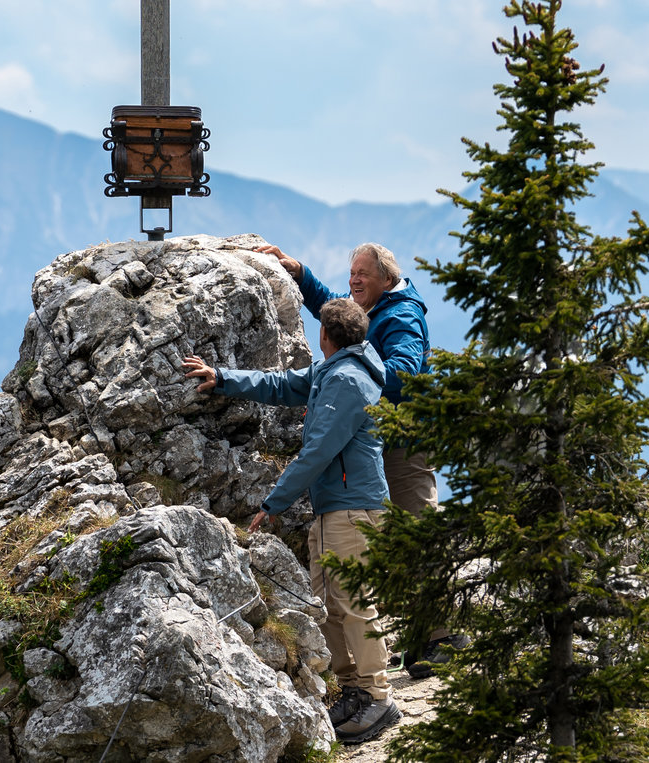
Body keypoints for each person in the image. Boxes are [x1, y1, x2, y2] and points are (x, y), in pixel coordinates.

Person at [182, 298, 401, 746]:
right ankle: (354, 691)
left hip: (354, 508)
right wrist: (222, 376)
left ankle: (379, 697)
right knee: (329, 604)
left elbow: (317, 451)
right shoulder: (332, 372)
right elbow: (280, 384)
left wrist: (273, 502)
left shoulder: (347, 381)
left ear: (325, 335)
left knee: (354, 603)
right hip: (335, 507)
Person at [257, 240, 458, 674]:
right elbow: (341, 316)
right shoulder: (377, 307)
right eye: (352, 273)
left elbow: (404, 375)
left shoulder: (402, 315)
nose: (354, 281)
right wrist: (302, 275)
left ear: (387, 279)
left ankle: (442, 637)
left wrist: (352, 376)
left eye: (362, 274)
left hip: (405, 442)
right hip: (382, 439)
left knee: (415, 533)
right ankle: (424, 637)